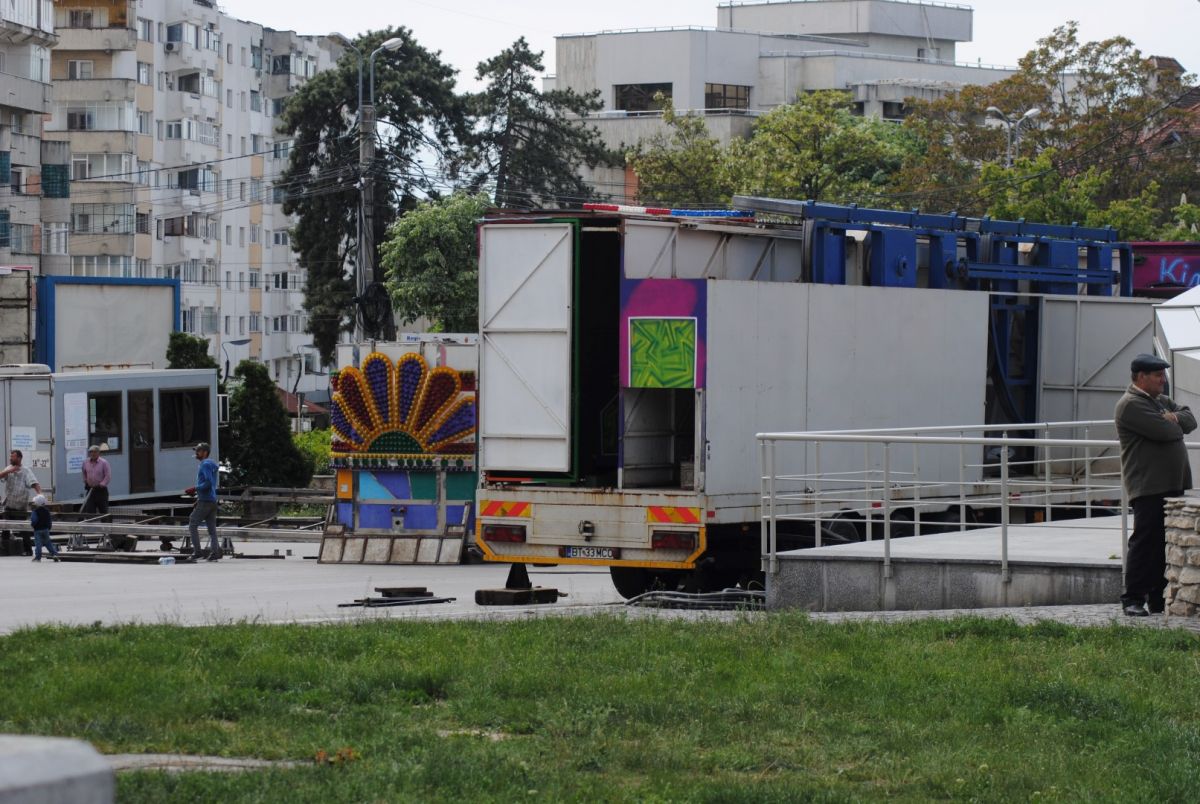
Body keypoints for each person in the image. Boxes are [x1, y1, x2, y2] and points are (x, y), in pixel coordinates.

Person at [1115, 353, 1197, 616]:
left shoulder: (1158, 401)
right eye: (1158, 375)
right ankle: (1133, 599)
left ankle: (1158, 600)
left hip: (1170, 483)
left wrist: (1173, 417)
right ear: (1141, 377)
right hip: (1148, 485)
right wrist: (1172, 421)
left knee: (1164, 544)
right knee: (1145, 542)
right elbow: (1167, 432)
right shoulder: (1131, 404)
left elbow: (1191, 420)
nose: (1163, 380)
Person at [0, 450, 42, 556]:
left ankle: (28, 550)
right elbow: (0, 476)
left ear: (19, 458)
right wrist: (9, 471)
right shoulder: (8, 468)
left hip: (20, 505)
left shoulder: (26, 471)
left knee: (23, 529)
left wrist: (40, 494)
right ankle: (5, 549)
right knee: (5, 527)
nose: (11, 458)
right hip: (9, 504)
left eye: (13, 456)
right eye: (10, 456)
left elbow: (34, 483)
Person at [186, 442, 222, 561]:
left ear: (205, 453)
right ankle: (215, 553)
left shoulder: (205, 465)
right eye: (196, 451)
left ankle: (197, 552)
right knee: (212, 529)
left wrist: (195, 488)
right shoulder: (210, 464)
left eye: (199, 451)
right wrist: (198, 499)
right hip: (211, 500)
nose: (196, 453)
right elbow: (210, 485)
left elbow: (208, 483)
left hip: (206, 501)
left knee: (192, 523)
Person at [81, 445, 111, 515]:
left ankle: (105, 522)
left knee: (103, 511)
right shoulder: (85, 462)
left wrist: (101, 484)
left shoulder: (104, 463)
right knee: (90, 511)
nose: (93, 454)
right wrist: (85, 481)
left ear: (98, 453)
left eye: (95, 452)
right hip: (90, 490)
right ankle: (92, 522)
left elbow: (108, 476)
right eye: (91, 452)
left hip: (101, 491)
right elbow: (84, 472)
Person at [30, 495, 59, 562]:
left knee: (38, 544)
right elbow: (49, 520)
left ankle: (38, 557)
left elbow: (34, 520)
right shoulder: (47, 511)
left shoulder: (35, 511)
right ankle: (54, 554)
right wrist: (49, 527)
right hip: (46, 529)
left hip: (37, 530)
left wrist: (33, 525)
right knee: (48, 543)